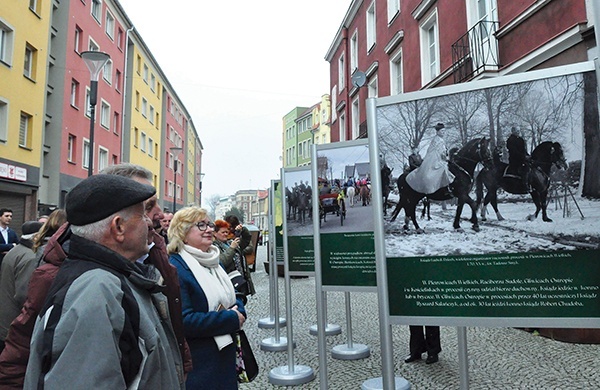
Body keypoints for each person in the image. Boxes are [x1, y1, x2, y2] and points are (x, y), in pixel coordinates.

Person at [0, 163, 192, 388]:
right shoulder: (97, 290)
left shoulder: (111, 278)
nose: (152, 220)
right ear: (118, 227)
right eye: (143, 214)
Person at [167, 207, 246, 389]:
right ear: (183, 232)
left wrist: (239, 310)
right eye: (201, 225)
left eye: (209, 224)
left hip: (224, 357)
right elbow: (184, 321)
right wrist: (231, 318)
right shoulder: (177, 268)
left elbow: (233, 296)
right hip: (201, 364)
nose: (209, 229)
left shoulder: (212, 260)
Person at [0, 221, 42, 354]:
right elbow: (23, 295)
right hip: (14, 322)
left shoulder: (15, 250)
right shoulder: (29, 257)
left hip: (5, 318)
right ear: (36, 236)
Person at [406, 123, 455, 194]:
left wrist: (445, 155)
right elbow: (436, 151)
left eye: (444, 131)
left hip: (439, 158)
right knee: (442, 168)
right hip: (435, 159)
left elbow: (443, 151)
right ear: (437, 132)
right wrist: (443, 157)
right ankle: (445, 188)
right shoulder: (437, 140)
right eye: (442, 131)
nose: (443, 133)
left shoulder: (441, 140)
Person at [213, 220, 253, 299]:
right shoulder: (214, 247)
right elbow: (222, 262)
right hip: (228, 282)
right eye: (223, 232)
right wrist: (232, 248)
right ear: (215, 233)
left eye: (227, 232)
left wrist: (242, 230)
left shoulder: (230, 242)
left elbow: (246, 240)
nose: (225, 234)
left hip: (240, 280)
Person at [506, 127, 531, 192]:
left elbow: (523, 150)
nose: (517, 132)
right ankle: (524, 184)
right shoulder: (510, 140)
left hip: (522, 158)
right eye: (516, 131)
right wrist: (523, 156)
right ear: (513, 132)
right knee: (525, 168)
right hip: (515, 159)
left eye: (518, 131)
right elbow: (513, 151)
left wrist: (528, 156)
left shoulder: (521, 140)